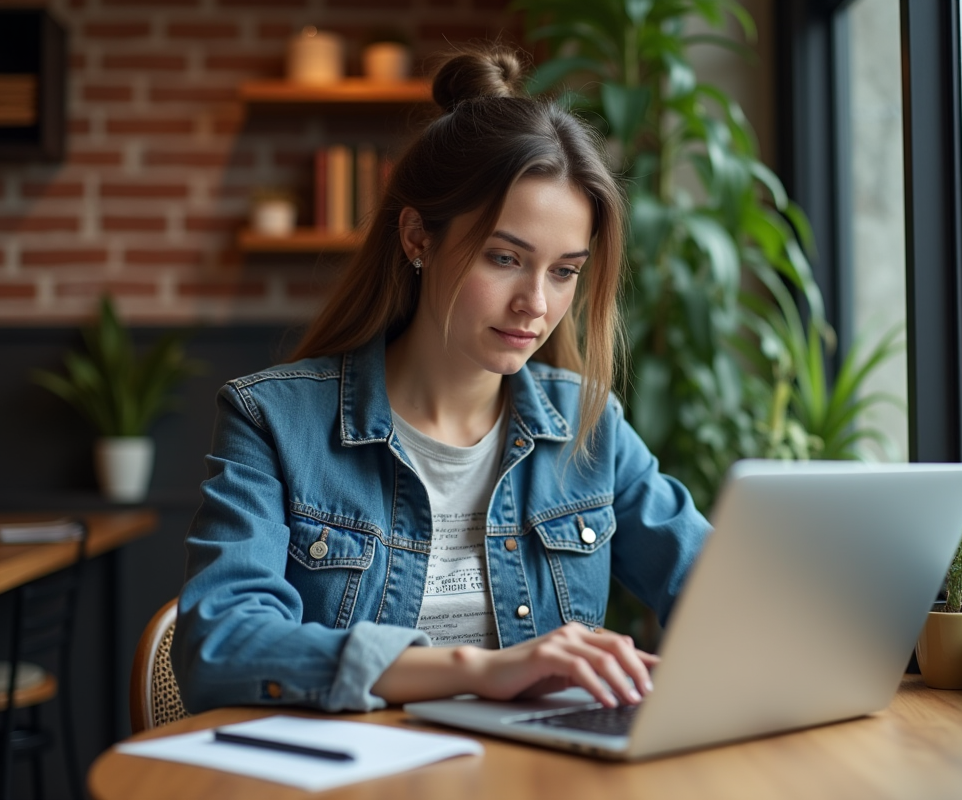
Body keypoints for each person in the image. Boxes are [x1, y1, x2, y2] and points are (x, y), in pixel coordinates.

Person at [172, 45, 711, 715]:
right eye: (505, 258)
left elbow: (722, 595)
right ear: (418, 239)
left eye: (564, 271)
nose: (536, 304)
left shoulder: (589, 427)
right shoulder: (274, 422)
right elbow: (219, 646)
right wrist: (477, 669)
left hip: (540, 767)